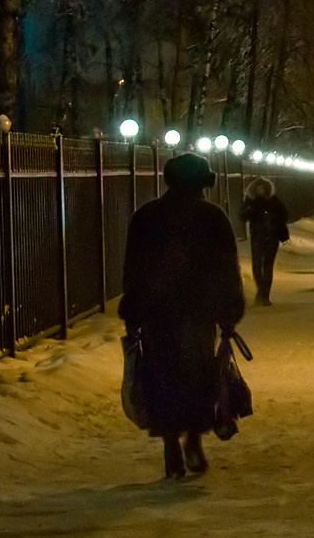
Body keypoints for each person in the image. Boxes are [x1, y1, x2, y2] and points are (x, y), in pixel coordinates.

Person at [119, 152, 246, 479]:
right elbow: (226, 268)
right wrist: (229, 311)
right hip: (199, 310)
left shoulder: (146, 216)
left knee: (161, 375)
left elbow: (134, 268)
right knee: (198, 372)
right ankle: (192, 437)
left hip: (157, 311)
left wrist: (133, 311)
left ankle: (170, 443)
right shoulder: (212, 217)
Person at [238, 176, 290, 306]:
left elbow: (284, 215)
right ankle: (261, 290)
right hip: (257, 236)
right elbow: (242, 216)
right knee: (256, 265)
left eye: (262, 188)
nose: (260, 190)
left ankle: (264, 295)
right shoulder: (251, 202)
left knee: (267, 265)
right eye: (257, 188)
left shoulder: (274, 201)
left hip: (272, 236)